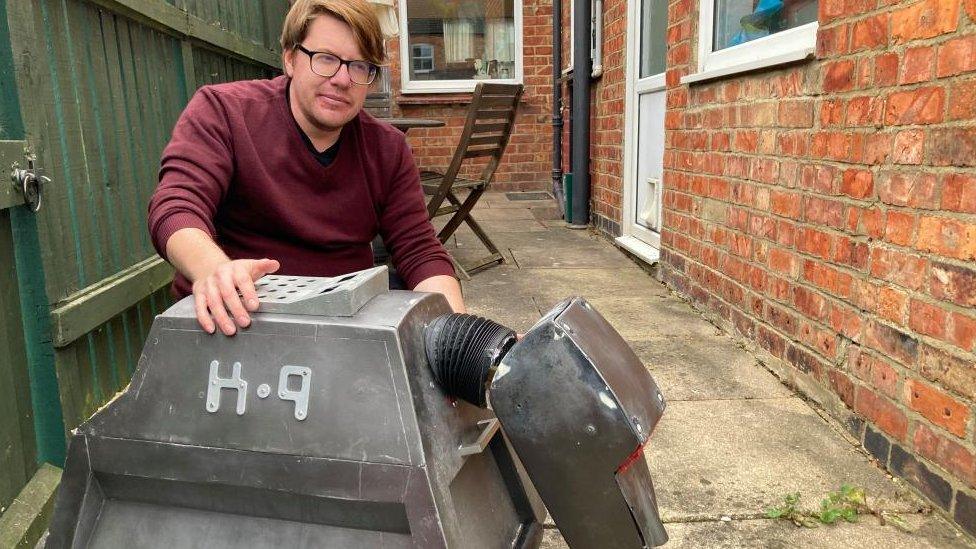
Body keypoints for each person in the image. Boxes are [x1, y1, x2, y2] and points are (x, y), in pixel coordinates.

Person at [148, 0, 463, 336]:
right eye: (325, 58)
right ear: (290, 58)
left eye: (359, 66)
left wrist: (460, 335)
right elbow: (176, 206)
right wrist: (214, 270)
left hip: (341, 329)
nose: (343, 79)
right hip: (234, 323)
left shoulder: (388, 149)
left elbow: (420, 250)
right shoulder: (225, 112)